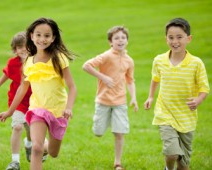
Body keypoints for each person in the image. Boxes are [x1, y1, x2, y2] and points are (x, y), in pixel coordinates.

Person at [0, 17, 77, 170]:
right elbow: (23, 88)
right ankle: (38, 145)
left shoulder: (59, 58)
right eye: (38, 35)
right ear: (31, 36)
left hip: (58, 110)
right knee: (36, 148)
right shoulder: (28, 61)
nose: (42, 39)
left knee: (53, 152)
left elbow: (72, 87)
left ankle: (46, 145)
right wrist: (9, 111)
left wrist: (69, 107)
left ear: (53, 38)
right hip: (37, 109)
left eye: (47, 35)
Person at [144, 18, 210, 170]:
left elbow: (204, 88)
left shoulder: (196, 63)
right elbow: (155, 79)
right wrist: (151, 97)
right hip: (165, 113)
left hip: (187, 117)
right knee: (172, 153)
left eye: (179, 37)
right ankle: (168, 168)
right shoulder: (159, 60)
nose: (175, 41)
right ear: (166, 38)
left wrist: (198, 100)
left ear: (189, 38)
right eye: (171, 37)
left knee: (183, 165)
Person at [83, 26, 138, 170]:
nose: (120, 40)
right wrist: (103, 77)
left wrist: (134, 98)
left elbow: (130, 80)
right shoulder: (106, 56)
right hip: (103, 100)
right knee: (98, 132)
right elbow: (86, 66)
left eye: (123, 37)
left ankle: (117, 163)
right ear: (110, 42)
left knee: (119, 133)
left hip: (120, 102)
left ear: (127, 40)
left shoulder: (129, 61)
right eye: (116, 38)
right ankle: (102, 123)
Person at [0, 31, 39, 170]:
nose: (23, 49)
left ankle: (28, 143)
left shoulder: (37, 62)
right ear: (15, 49)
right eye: (19, 47)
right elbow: (6, 74)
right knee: (17, 127)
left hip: (35, 102)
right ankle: (15, 162)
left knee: (31, 132)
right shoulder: (12, 62)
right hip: (17, 102)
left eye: (25, 46)